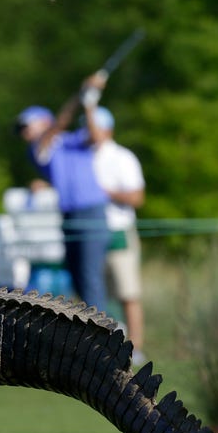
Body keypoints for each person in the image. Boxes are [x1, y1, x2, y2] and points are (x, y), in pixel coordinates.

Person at [15, 72, 111, 314]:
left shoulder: (73, 140)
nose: (23, 132)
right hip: (69, 216)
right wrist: (81, 95)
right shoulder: (37, 149)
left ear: (44, 122)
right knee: (78, 277)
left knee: (90, 278)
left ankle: (104, 339)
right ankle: (94, 334)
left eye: (27, 126)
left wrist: (89, 102)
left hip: (92, 212)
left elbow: (96, 136)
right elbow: (60, 124)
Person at [90, 107, 147, 361]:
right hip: (90, 232)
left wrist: (103, 192)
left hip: (118, 231)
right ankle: (101, 345)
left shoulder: (122, 157)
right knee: (95, 292)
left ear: (107, 129)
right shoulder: (82, 156)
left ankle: (135, 347)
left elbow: (137, 196)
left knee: (127, 292)